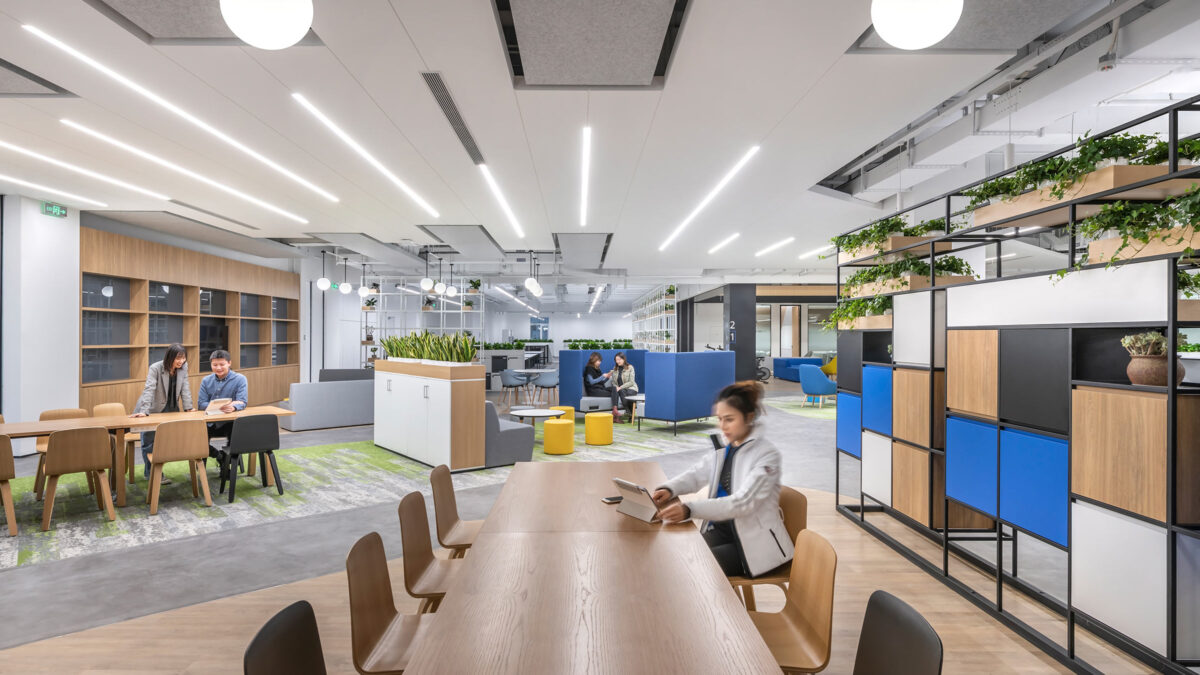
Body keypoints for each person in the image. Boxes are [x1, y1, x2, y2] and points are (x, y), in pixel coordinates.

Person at [651, 381, 793, 578]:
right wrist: (670, 489)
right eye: (719, 419)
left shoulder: (767, 455)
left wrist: (689, 509)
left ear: (749, 417)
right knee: (674, 556)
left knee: (690, 569)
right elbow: (697, 473)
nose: (722, 426)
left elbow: (742, 503)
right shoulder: (727, 447)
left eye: (729, 419)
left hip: (753, 548)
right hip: (723, 530)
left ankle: (712, 609)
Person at [131, 343, 194, 481]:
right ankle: (151, 474)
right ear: (169, 357)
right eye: (178, 358)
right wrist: (144, 411)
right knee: (149, 442)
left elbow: (185, 388)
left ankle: (158, 469)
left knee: (168, 441)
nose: (181, 361)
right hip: (153, 408)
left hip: (172, 408)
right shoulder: (155, 368)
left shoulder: (183, 368)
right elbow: (149, 389)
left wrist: (188, 407)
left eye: (183, 358)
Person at [197, 349, 249, 450]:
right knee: (197, 440)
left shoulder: (240, 379)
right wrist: (219, 406)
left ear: (229, 363)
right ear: (211, 364)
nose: (218, 368)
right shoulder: (206, 380)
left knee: (236, 432)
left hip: (230, 422)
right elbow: (201, 404)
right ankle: (217, 455)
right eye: (215, 365)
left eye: (222, 364)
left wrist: (233, 407)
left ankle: (229, 462)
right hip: (209, 422)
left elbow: (242, 402)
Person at [608, 352, 638, 423]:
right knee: (622, 391)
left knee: (628, 394)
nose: (618, 361)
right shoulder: (615, 369)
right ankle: (629, 413)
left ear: (624, 359)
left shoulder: (630, 367)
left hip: (631, 388)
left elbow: (631, 382)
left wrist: (621, 387)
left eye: (619, 359)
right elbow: (613, 382)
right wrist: (617, 387)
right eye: (616, 360)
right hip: (621, 389)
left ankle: (630, 413)